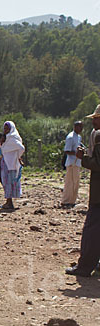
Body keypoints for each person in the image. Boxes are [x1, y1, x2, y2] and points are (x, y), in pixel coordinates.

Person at [65, 106, 100, 277]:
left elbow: (97, 164)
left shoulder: (99, 136)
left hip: (98, 195)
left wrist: (83, 158)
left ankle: (85, 267)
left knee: (92, 231)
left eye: (96, 118)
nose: (93, 121)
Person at [0, 121, 25, 210]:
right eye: (4, 129)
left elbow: (21, 148)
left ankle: (9, 202)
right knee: (6, 182)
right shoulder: (5, 139)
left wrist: (18, 157)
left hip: (11, 164)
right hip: (6, 162)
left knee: (9, 182)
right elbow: (0, 152)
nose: (5, 130)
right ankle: (8, 201)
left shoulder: (13, 138)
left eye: (7, 129)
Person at [61, 121, 84, 208]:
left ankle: (72, 200)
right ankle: (66, 200)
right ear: (75, 127)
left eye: (82, 127)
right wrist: (76, 153)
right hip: (71, 162)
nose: (81, 129)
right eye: (79, 127)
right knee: (70, 182)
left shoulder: (79, 137)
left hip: (77, 162)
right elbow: (67, 150)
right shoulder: (70, 137)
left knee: (76, 182)